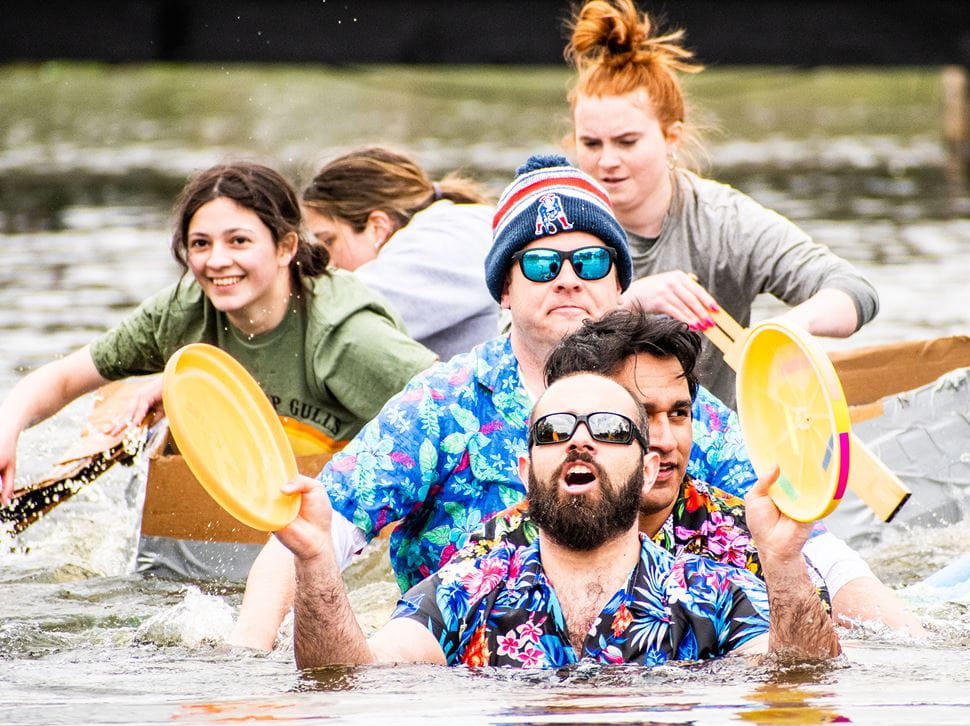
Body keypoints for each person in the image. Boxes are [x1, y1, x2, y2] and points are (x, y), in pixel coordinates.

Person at [229, 154, 763, 649]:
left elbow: (802, 543)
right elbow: (310, 535)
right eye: (540, 265)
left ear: (620, 282)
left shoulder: (674, 403)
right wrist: (249, 669)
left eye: (591, 261)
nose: (569, 280)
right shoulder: (443, 404)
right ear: (504, 289)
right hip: (456, 662)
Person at [0, 162, 436, 579]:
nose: (216, 261)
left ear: (286, 247)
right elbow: (61, 379)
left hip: (340, 528)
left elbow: (455, 407)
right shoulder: (183, 313)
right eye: (200, 244)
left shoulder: (346, 339)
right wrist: (8, 429)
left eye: (239, 241)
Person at [278, 372, 842, 668]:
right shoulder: (467, 590)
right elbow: (350, 680)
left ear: (649, 471)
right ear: (526, 470)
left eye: (608, 429)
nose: (578, 440)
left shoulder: (712, 594)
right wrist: (314, 562)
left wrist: (784, 561)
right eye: (554, 431)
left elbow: (801, 678)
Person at [459, 309, 925, 635]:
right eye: (642, 415)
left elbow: (850, 660)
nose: (665, 439)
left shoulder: (745, 541)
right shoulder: (497, 548)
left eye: (679, 413)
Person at [565, 0, 880, 406]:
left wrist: (782, 334)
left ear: (671, 138)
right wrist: (630, 302)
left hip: (712, 446)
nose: (607, 161)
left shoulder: (722, 220)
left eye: (627, 142)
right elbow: (520, 344)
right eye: (591, 144)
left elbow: (855, 292)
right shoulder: (561, 226)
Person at [302, 147, 498, 360]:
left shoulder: (443, 242)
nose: (328, 263)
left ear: (377, 226)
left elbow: (330, 317)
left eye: (329, 241)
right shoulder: (459, 222)